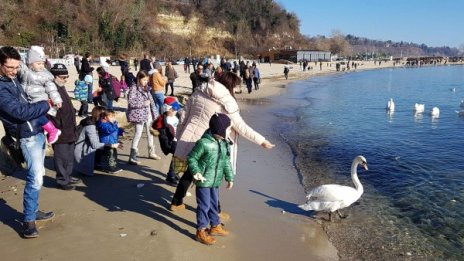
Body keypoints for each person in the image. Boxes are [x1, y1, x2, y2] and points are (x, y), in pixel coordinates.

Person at [169, 72, 275, 213]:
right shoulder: (226, 101)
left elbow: (183, 116)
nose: (237, 90)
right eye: (236, 86)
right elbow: (241, 127)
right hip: (209, 142)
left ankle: (176, 202)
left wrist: (180, 134)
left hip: (190, 137)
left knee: (190, 172)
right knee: (211, 178)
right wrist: (262, 141)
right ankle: (215, 211)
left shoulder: (199, 91)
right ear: (230, 85)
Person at [0, 46, 54, 238]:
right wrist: (44, 104)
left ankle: (33, 210)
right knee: (36, 177)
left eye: (17, 67)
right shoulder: (1, 88)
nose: (14, 71)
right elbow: (20, 113)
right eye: (9, 67)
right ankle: (28, 221)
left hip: (36, 131)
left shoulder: (13, 80)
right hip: (26, 136)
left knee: (38, 175)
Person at [189, 113, 234, 245]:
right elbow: (192, 158)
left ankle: (215, 226)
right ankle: (201, 230)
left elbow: (226, 161)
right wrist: (196, 172)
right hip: (203, 181)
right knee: (204, 205)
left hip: (215, 181)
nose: (230, 131)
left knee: (214, 203)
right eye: (228, 129)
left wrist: (229, 177)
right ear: (220, 130)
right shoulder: (204, 143)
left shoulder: (224, 143)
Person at [48, 63, 82, 190]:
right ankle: (62, 180)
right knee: (61, 157)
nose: (65, 79)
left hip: (70, 127)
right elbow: (49, 112)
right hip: (60, 129)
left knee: (69, 155)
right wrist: (57, 125)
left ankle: (68, 175)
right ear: (55, 76)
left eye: (66, 76)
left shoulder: (61, 87)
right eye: (63, 77)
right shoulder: (50, 89)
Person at [19, 46, 62, 144]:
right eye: (38, 63)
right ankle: (48, 129)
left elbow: (52, 89)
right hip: (27, 98)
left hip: (39, 98)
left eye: (42, 63)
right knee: (33, 116)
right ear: (30, 63)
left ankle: (52, 130)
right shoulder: (25, 70)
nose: (41, 66)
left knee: (37, 115)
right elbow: (19, 67)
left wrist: (57, 99)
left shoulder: (45, 75)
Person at [127, 71, 161, 165]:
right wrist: (142, 104)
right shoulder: (133, 88)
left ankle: (151, 152)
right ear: (139, 79)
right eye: (144, 80)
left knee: (150, 133)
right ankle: (132, 156)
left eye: (147, 79)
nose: (146, 81)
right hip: (139, 115)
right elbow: (131, 102)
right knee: (138, 133)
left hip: (148, 114)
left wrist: (155, 113)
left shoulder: (146, 88)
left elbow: (151, 102)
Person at [153, 96, 182, 186]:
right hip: (171, 141)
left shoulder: (176, 116)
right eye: (173, 110)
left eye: (176, 110)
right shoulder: (163, 120)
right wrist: (168, 144)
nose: (174, 112)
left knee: (179, 156)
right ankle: (171, 175)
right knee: (176, 156)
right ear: (167, 109)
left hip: (178, 139)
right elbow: (162, 136)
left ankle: (175, 173)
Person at [74, 106, 107, 176]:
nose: (106, 118)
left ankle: (94, 164)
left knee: (100, 141)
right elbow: (94, 144)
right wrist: (110, 145)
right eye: (104, 116)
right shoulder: (90, 126)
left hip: (80, 147)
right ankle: (86, 168)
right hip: (80, 152)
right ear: (99, 116)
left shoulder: (91, 120)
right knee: (96, 144)